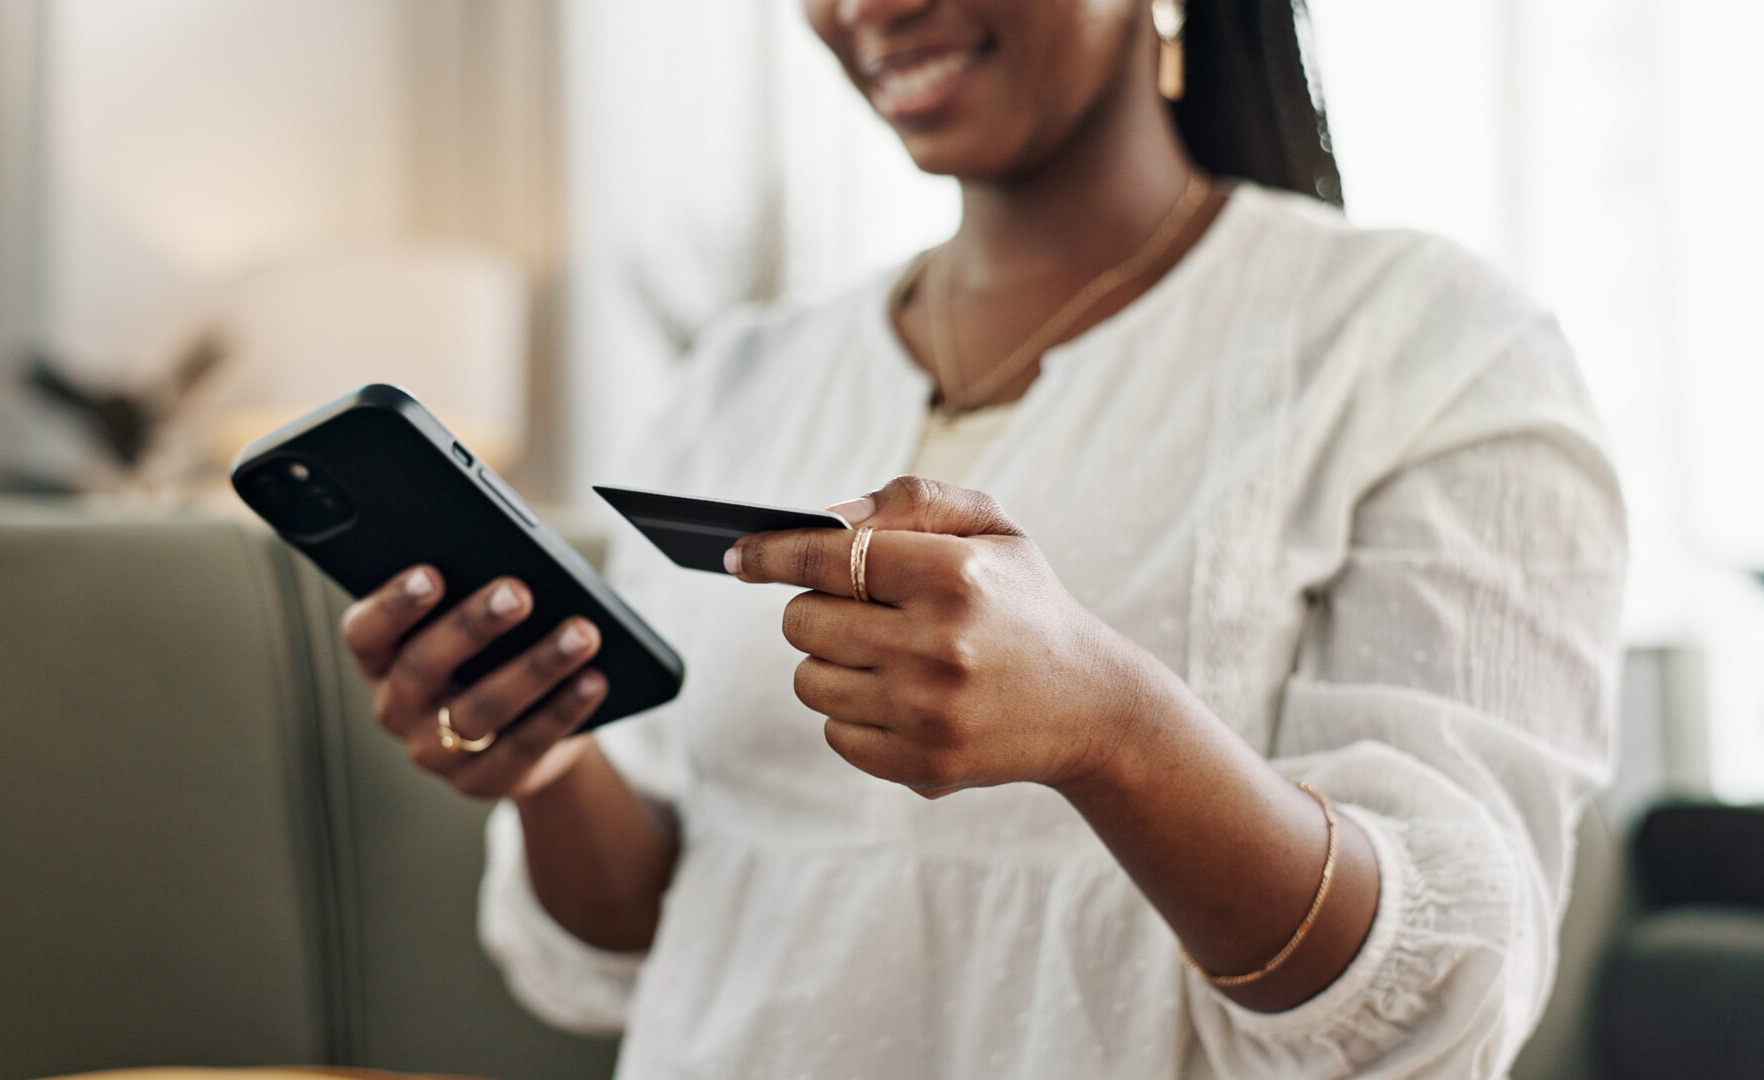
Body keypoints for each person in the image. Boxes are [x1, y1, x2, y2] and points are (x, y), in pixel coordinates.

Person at [338, 0, 1626, 1076]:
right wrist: (543, 759)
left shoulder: (1429, 348)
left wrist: (1114, 731)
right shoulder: (740, 381)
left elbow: (1438, 997)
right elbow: (630, 944)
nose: (865, 9)